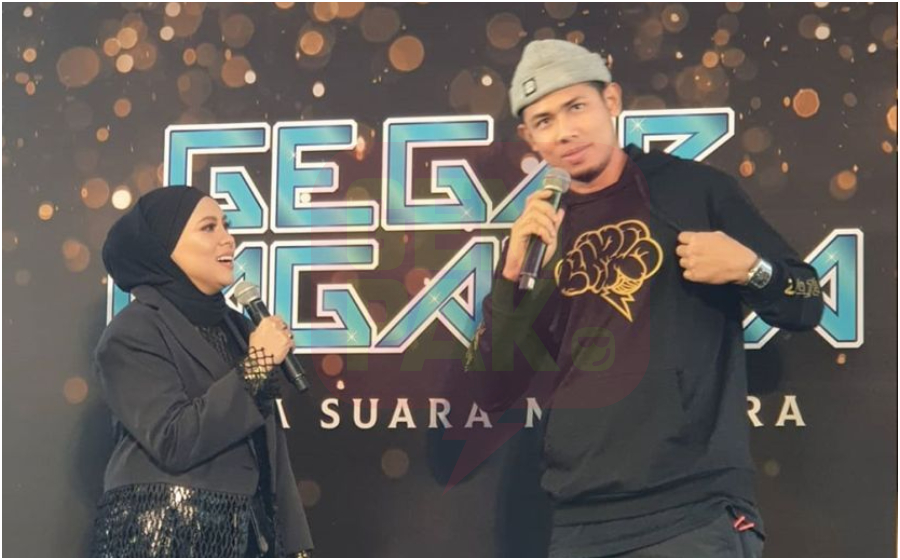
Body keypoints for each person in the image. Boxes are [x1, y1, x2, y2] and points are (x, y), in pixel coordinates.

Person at [465, 39, 824, 557]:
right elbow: (493, 390)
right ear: (528, 137)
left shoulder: (693, 191)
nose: (564, 131)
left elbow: (806, 301)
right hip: (579, 521)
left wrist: (751, 269)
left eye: (576, 106)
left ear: (611, 101)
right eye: (543, 120)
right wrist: (511, 275)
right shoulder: (538, 234)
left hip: (693, 511)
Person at [91, 186, 314, 557]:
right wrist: (258, 363)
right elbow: (174, 439)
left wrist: (294, 545)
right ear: (164, 246)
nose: (228, 239)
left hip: (247, 537)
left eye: (226, 226)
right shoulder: (133, 332)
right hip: (167, 535)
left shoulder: (239, 328)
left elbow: (268, 451)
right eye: (209, 227)